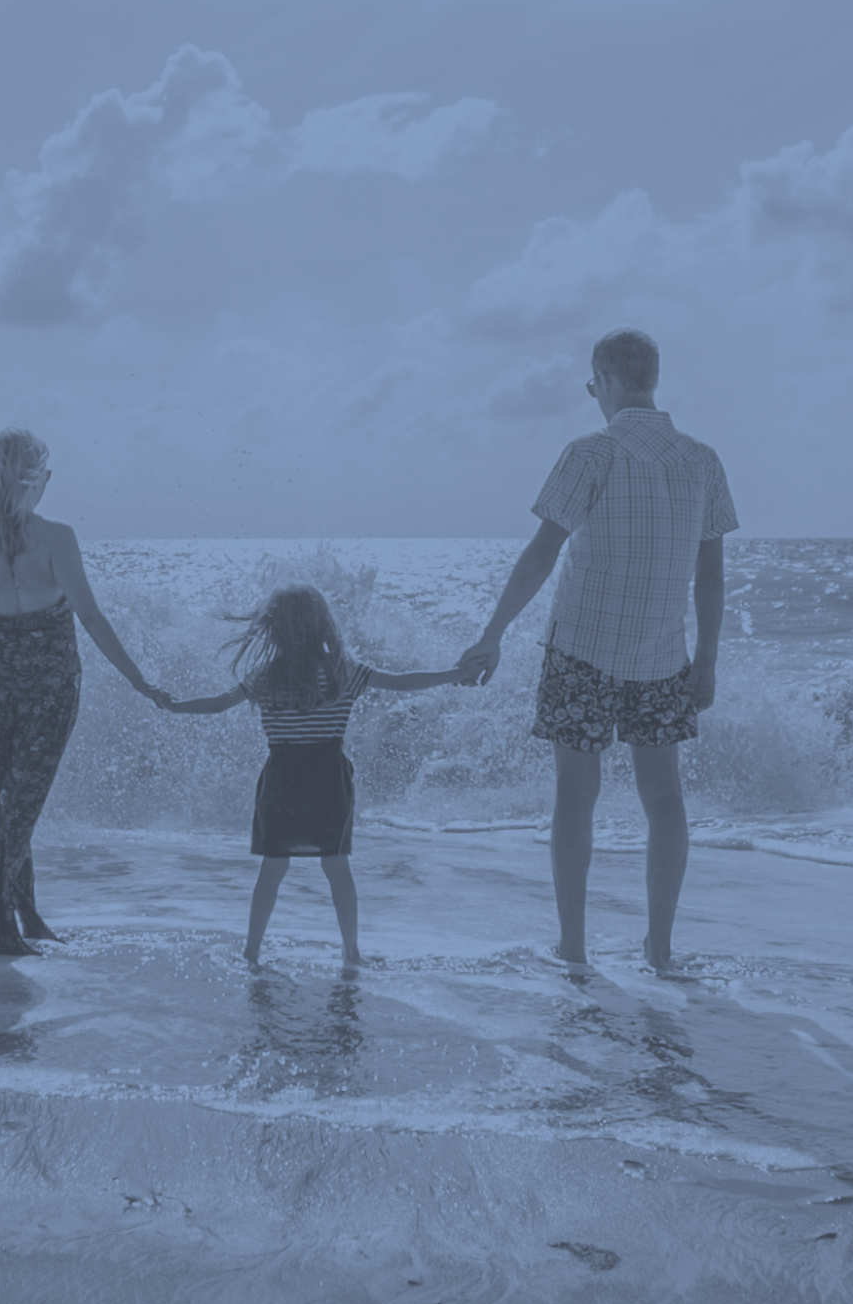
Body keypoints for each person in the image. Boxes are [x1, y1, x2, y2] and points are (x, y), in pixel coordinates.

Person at [452, 328, 735, 974]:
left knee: (576, 796)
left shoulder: (591, 453)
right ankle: (659, 949)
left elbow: (543, 554)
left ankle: (574, 947)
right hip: (663, 656)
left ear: (605, 382)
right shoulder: (702, 460)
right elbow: (712, 575)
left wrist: (492, 633)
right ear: (652, 379)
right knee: (664, 799)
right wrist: (709, 658)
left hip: (581, 649)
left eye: (592, 385)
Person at [0, 429, 166, 955]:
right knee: (14, 809)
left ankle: (16, 919)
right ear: (36, 479)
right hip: (49, 682)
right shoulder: (57, 537)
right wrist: (136, 677)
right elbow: (88, 614)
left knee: (3, 809)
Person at [166, 584, 464, 976]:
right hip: (328, 777)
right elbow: (403, 682)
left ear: (273, 629)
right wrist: (456, 674)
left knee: (272, 869)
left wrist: (172, 705)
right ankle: (351, 952)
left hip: (282, 777)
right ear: (324, 625)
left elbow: (219, 704)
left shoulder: (266, 676)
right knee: (337, 867)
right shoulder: (342, 670)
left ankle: (251, 953)